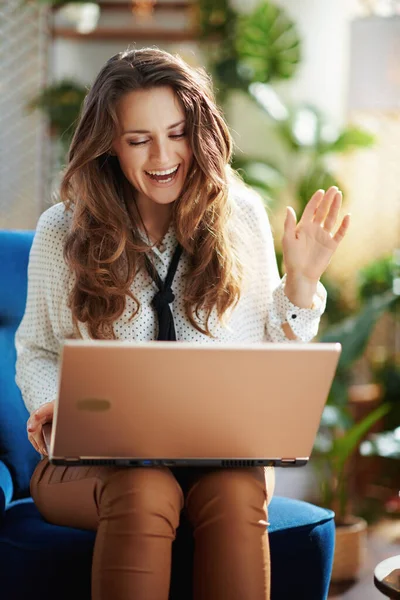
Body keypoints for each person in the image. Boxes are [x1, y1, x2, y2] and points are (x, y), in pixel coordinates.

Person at [15, 47, 350, 600]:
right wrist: (54, 405)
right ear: (109, 146)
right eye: (138, 139)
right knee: (145, 489)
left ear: (200, 131)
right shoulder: (62, 231)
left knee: (236, 494)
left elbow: (273, 343)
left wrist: (302, 282)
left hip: (221, 457)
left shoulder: (239, 215)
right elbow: (37, 351)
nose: (164, 156)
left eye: (177, 133)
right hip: (94, 466)